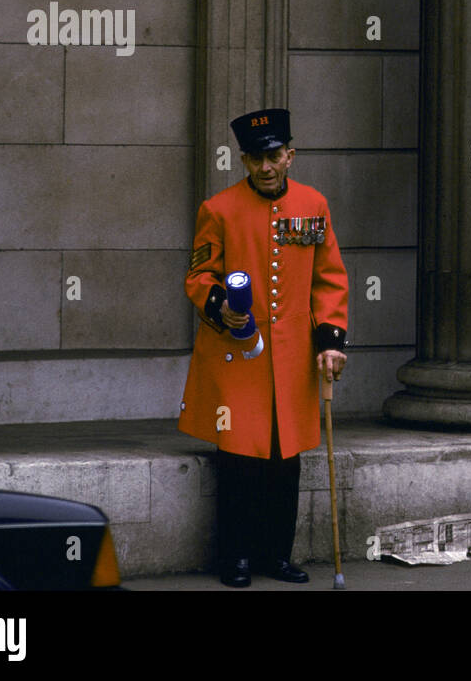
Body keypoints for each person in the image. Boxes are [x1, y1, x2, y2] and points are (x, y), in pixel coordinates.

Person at [178, 108, 349, 587]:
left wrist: (330, 339)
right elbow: (199, 275)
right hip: (238, 352)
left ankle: (275, 555)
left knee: (284, 458)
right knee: (238, 458)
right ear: (244, 161)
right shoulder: (219, 209)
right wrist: (219, 306)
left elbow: (329, 278)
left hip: (293, 354)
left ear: (290, 155)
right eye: (256, 158)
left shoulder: (314, 205)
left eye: (274, 155)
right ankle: (234, 558)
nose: (266, 166)